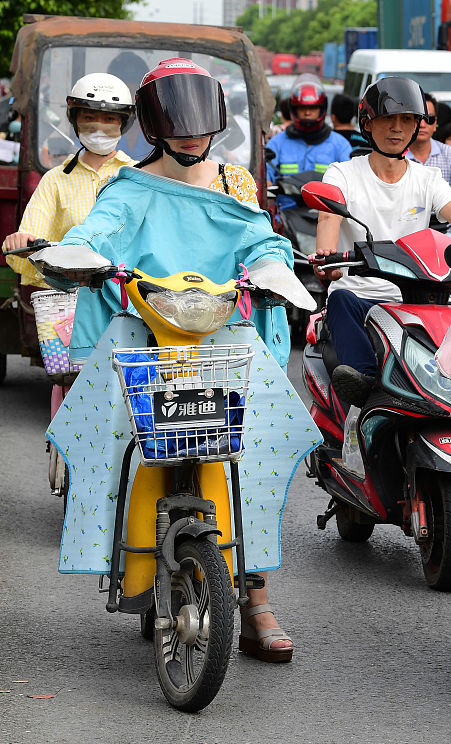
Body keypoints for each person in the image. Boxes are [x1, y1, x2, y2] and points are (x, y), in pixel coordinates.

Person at [55, 58, 300, 663]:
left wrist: (274, 268)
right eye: (176, 118)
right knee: (107, 436)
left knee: (262, 439)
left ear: (216, 119)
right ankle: (118, 555)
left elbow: (264, 239)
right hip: (148, 331)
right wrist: (78, 251)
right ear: (154, 122)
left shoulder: (236, 185)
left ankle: (257, 595)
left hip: (221, 333)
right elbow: (98, 230)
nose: (191, 133)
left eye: (201, 119)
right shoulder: (129, 187)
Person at [313, 77, 451, 404]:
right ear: (367, 123)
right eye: (387, 119)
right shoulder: (342, 173)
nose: (397, 128)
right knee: (340, 300)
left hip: (419, 298)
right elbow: (329, 216)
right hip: (362, 296)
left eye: (407, 120)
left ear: (417, 126)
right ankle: (365, 386)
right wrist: (327, 257)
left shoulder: (428, 178)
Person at [4, 73, 136, 289]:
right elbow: (31, 235)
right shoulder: (55, 179)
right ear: (76, 121)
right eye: (89, 117)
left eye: (110, 119)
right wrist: (21, 242)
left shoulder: (136, 175)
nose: (99, 127)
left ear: (123, 123)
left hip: (126, 298)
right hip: (67, 300)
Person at [265, 79, 351, 210]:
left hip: (327, 213)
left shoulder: (340, 144)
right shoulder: (277, 142)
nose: (307, 113)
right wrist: (267, 183)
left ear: (322, 109)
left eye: (313, 108)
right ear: (294, 110)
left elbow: (351, 182)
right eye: (302, 108)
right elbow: (263, 175)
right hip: (285, 212)